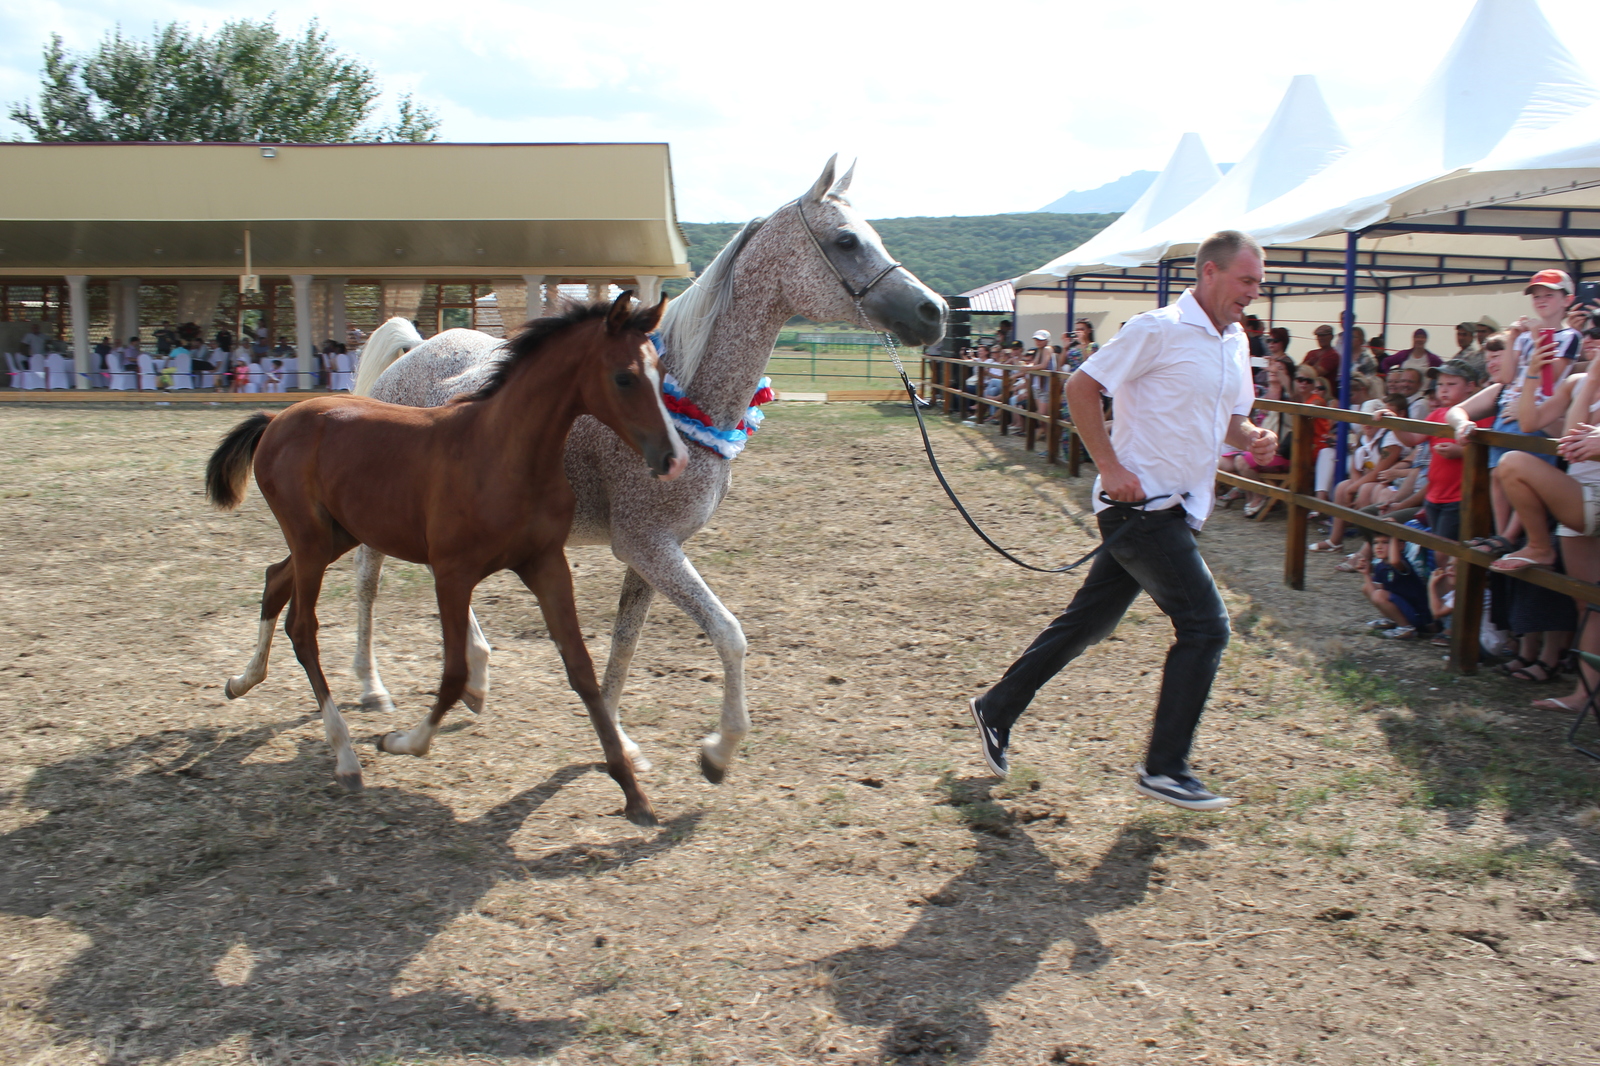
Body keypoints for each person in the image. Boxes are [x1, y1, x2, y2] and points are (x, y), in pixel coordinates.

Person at [967, 230, 1274, 812]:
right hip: (1140, 510)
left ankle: (997, 707)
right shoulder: (1156, 329)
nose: (1253, 294)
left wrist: (1252, 436)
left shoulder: (1233, 342)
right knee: (1207, 627)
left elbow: (1231, 419)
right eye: (1246, 281)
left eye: (1257, 283)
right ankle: (1165, 769)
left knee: (1088, 623)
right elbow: (1082, 386)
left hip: (1179, 511)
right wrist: (1108, 467)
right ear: (1209, 273)